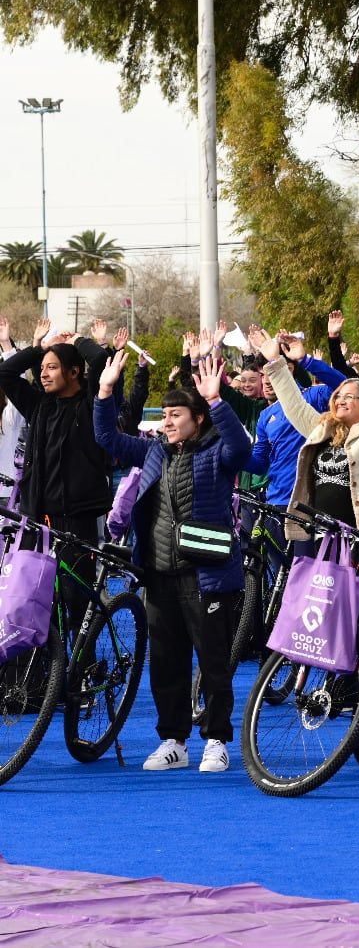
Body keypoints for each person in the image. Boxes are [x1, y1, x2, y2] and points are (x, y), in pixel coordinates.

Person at [92, 350, 253, 773]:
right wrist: (105, 391)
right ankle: (173, 741)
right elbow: (107, 438)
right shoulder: (153, 452)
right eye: (164, 415)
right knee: (166, 662)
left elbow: (242, 448)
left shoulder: (218, 451)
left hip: (208, 575)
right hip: (160, 573)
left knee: (213, 661)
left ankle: (216, 740)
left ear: (198, 419)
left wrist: (216, 400)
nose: (166, 422)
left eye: (175, 414)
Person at [0, 319, 114, 632]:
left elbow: (100, 362)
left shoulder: (91, 405)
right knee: (33, 598)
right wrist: (39, 349)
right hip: (38, 518)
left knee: (76, 601)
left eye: (52, 367)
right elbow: (5, 373)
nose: (43, 374)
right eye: (42, 368)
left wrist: (77, 341)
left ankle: (84, 659)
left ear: (74, 372)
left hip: (77, 519)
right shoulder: (39, 405)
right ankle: (45, 662)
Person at [253, 329, 359, 564]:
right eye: (338, 396)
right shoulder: (325, 430)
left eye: (349, 397)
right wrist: (275, 361)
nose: (340, 400)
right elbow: (295, 406)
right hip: (323, 537)